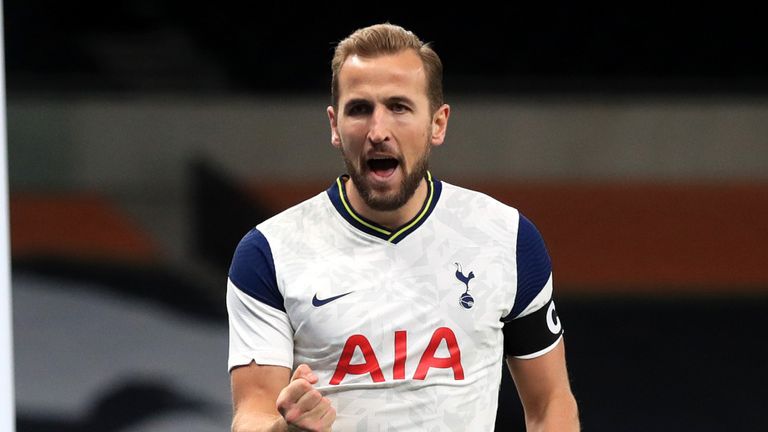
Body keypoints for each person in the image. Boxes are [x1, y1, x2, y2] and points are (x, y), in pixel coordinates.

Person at [226, 23, 579, 431]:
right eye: (359, 109)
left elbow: (551, 402)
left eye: (399, 107)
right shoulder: (269, 253)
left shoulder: (508, 238)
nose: (378, 131)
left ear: (438, 123)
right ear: (334, 126)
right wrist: (285, 429)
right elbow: (251, 413)